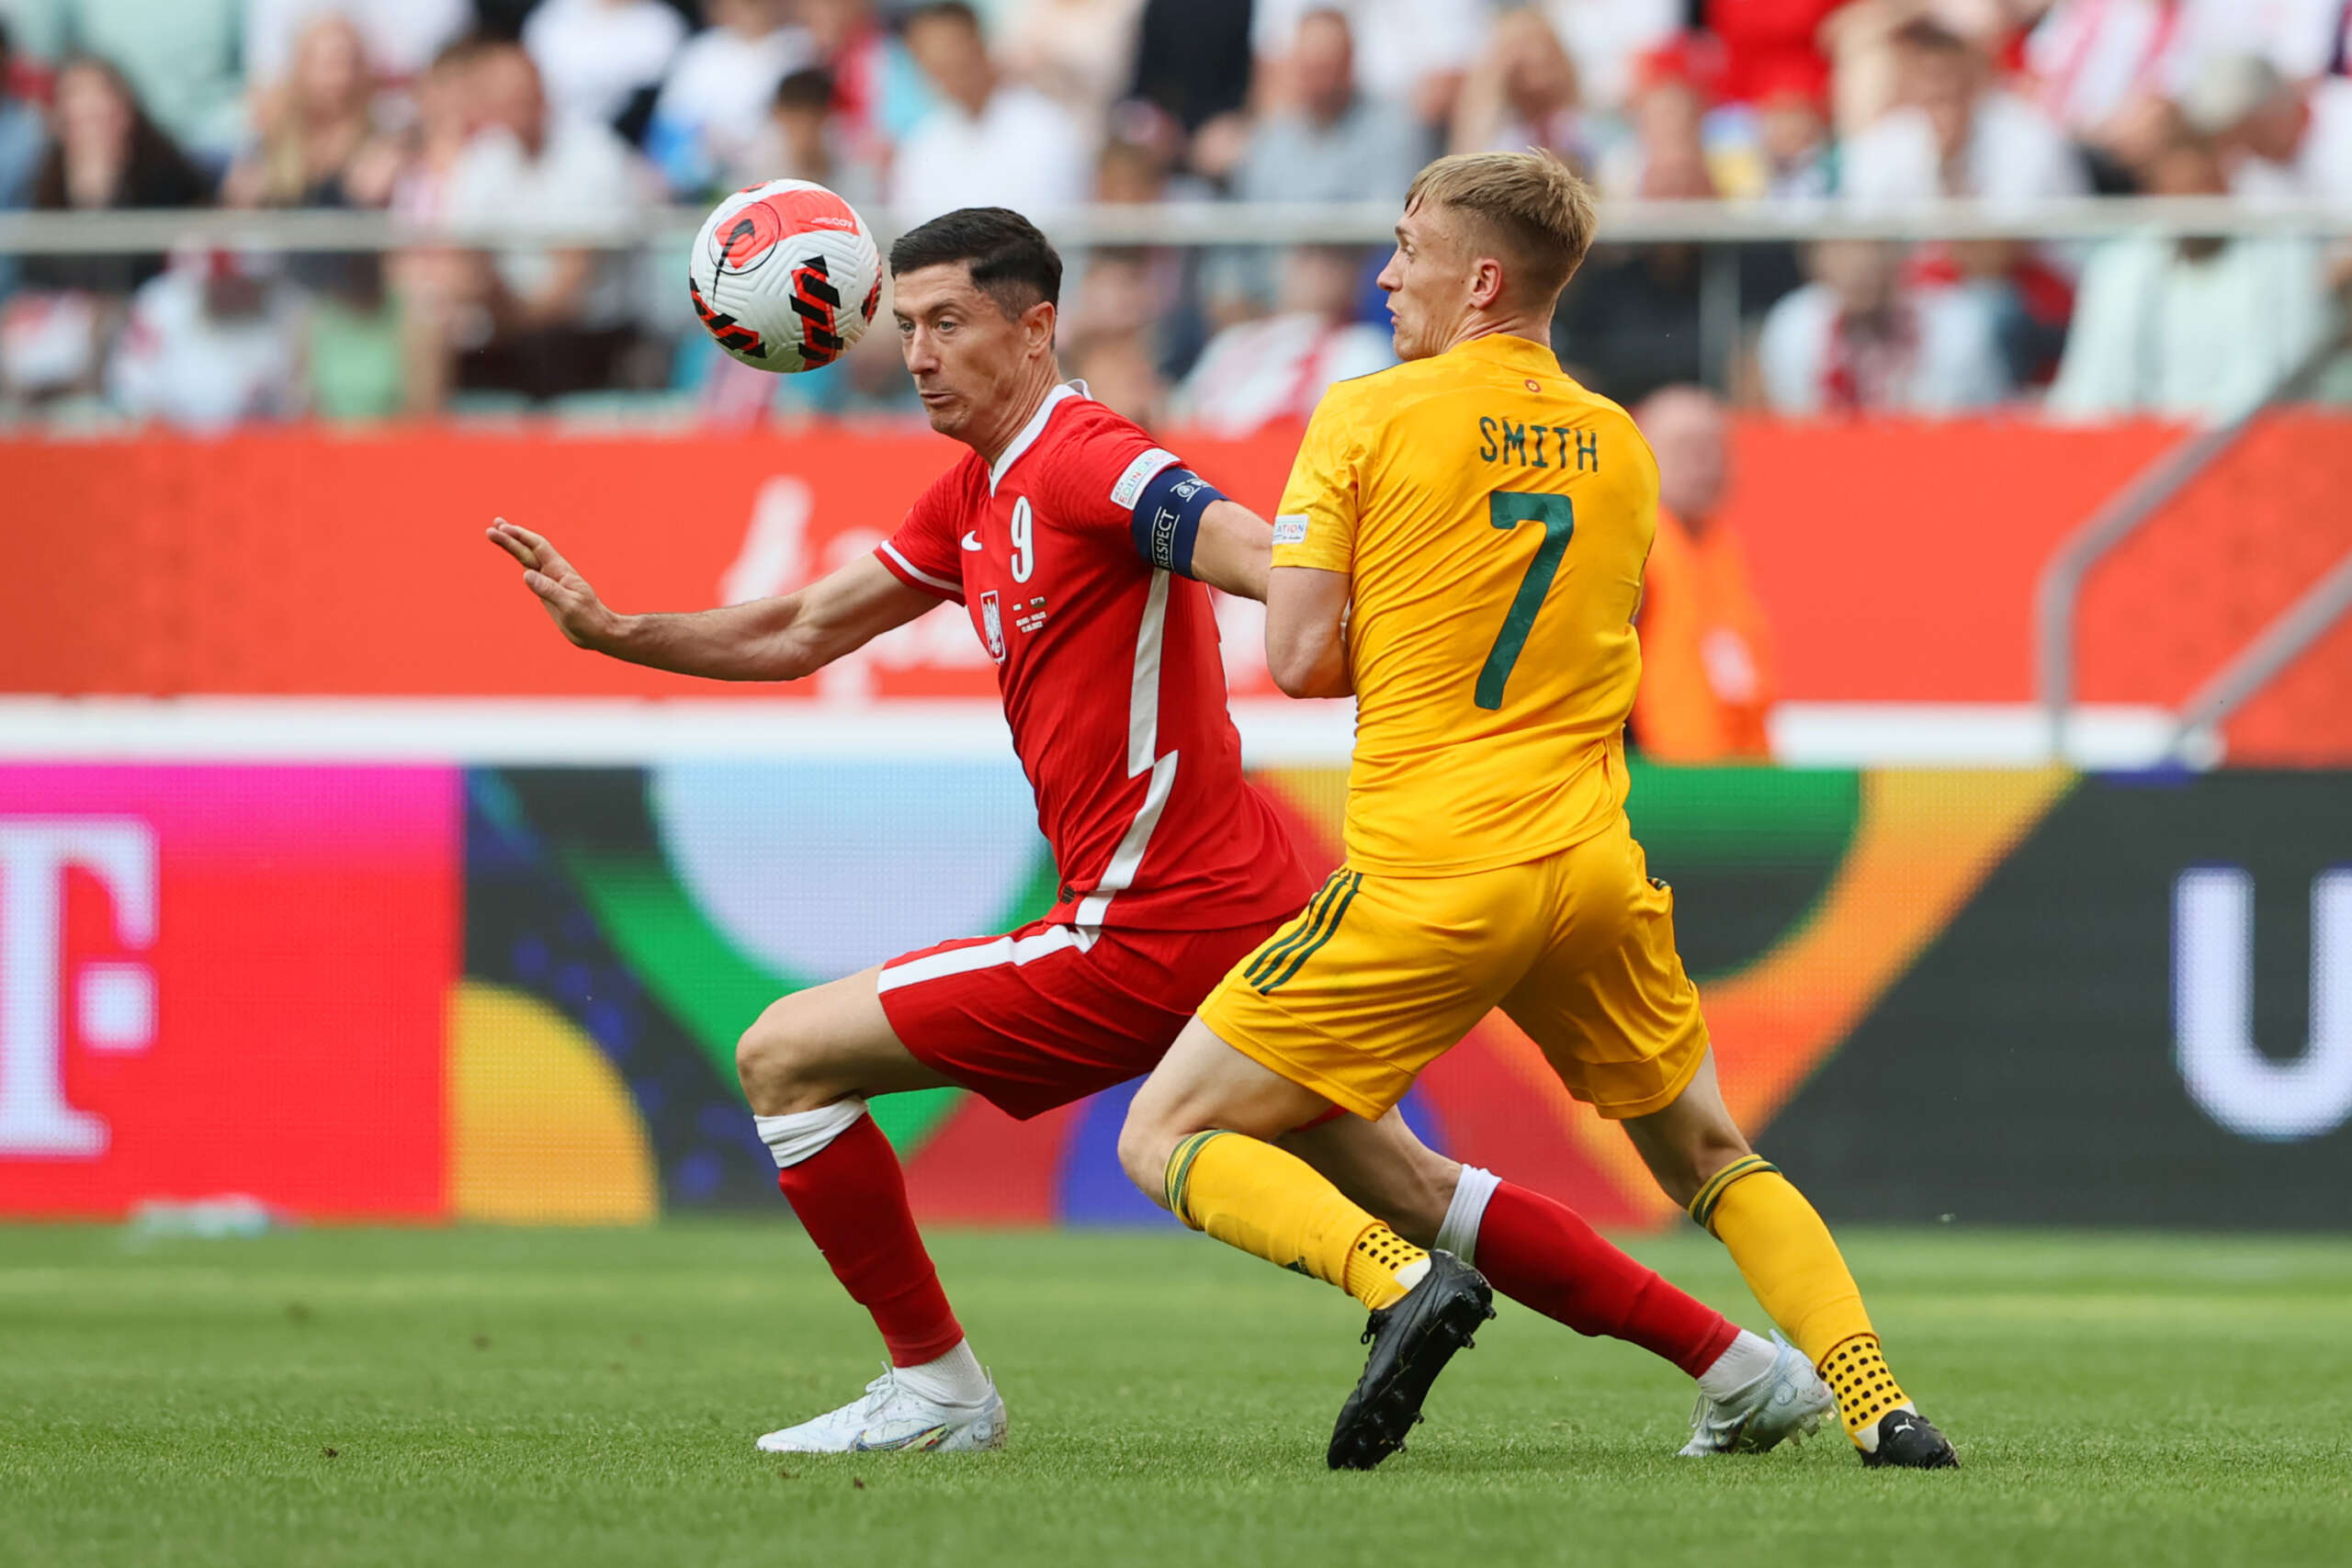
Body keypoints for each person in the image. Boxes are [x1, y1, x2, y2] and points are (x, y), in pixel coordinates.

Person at [486, 205, 1827, 1460]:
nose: (919, 353)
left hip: (1140, 921)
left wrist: (1406, 620)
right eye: (905, 328)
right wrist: (620, 631)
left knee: (784, 1055)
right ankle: (1740, 1368)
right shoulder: (972, 496)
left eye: (949, 322)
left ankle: (945, 1386)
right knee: (1414, 1175)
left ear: (1034, 326)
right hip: (1238, 901)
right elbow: (798, 627)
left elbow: (1248, 546)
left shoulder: (1085, 456)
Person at [1114, 152, 1959, 1472]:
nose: (1388, 273)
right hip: (1591, 868)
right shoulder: (1622, 448)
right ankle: (1874, 1398)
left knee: (1165, 1129)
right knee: (1713, 1155)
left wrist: (1381, 608)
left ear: (1483, 276)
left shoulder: (1366, 415)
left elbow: (1296, 656)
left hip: (1437, 869)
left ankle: (1399, 1278)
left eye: (1409, 247)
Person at [2045, 137, 2328, 423]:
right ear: (2158, 197)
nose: (2196, 208)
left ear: (2225, 187)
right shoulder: (2121, 270)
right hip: (2143, 442)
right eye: (2181, 193)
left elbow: (2278, 379)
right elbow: (2090, 384)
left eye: (2205, 188)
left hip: (2242, 440)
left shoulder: (2281, 261)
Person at [1628, 386, 1776, 763]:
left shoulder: (1723, 549)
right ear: (1645, 458)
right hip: (1660, 780)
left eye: (1716, 450)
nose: (1706, 464)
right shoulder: (1631, 553)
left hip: (1735, 773)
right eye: (1686, 449)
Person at [887, 2, 1089, 225]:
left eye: (950, 48)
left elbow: (1048, 231)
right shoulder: (923, 140)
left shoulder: (1045, 128)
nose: (943, 64)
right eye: (928, 55)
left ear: (979, 46)